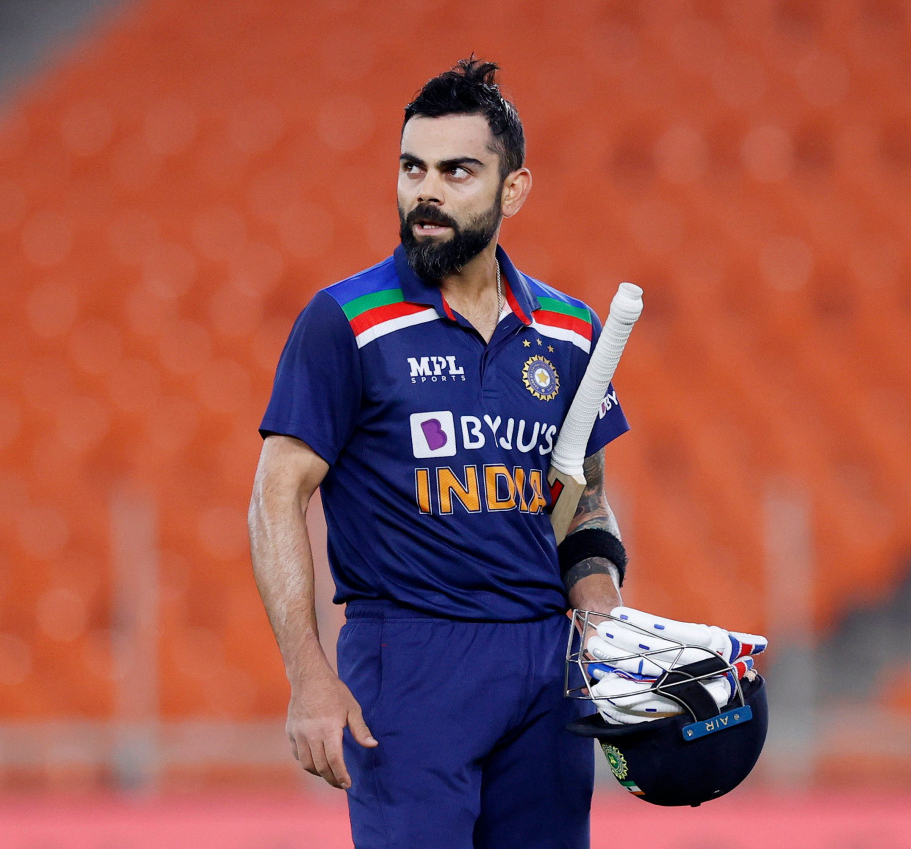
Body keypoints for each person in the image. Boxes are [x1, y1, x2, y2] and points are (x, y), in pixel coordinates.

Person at [248, 58, 630, 849]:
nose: (427, 191)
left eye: (457, 171)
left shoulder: (570, 331)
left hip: (545, 660)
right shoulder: (344, 321)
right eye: (412, 168)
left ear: (513, 189)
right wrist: (308, 672)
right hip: (409, 659)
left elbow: (582, 498)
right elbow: (274, 495)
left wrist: (601, 619)